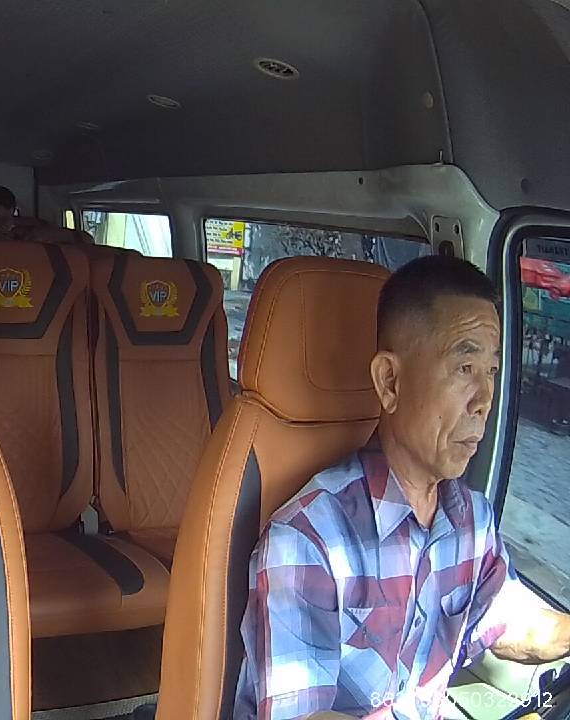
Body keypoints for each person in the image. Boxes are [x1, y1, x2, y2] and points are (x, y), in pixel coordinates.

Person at [234, 256, 570, 720]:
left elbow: (509, 623)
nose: (485, 401)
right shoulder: (308, 539)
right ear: (390, 381)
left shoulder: (472, 520)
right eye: (464, 367)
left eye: (491, 371)